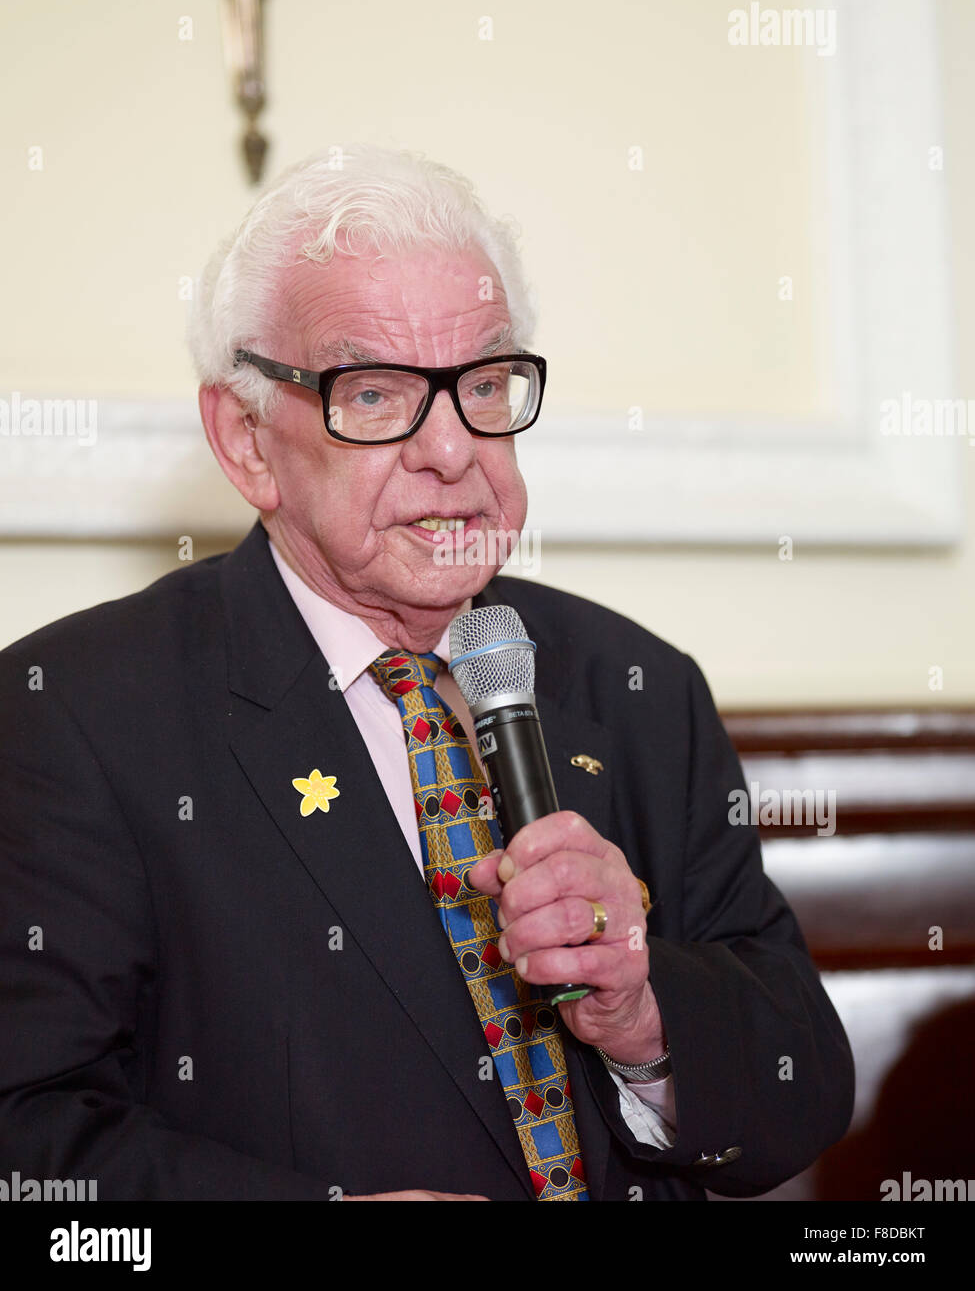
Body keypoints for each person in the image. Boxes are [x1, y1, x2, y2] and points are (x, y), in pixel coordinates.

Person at [0, 145, 854, 1201]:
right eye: (377, 393)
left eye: (485, 384)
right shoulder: (73, 717)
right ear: (248, 439)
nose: (453, 450)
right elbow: (29, 1144)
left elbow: (800, 1097)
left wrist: (642, 1012)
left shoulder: (639, 686)